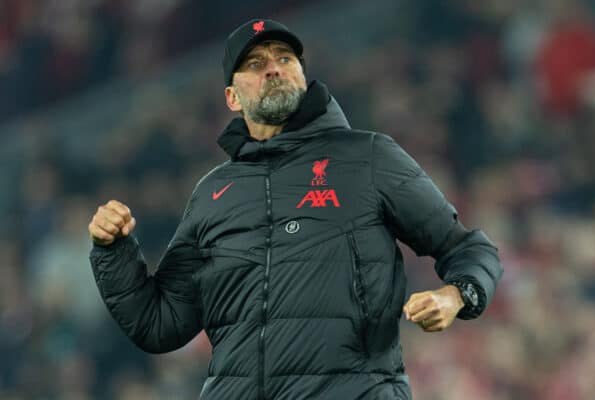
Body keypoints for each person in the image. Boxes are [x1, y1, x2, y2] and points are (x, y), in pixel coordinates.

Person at [88, 19, 503, 400]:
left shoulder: (368, 157)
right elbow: (160, 324)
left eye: (284, 58)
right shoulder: (214, 193)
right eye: (255, 63)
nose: (273, 68)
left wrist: (456, 295)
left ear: (302, 76)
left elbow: (467, 248)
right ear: (232, 97)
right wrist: (113, 251)